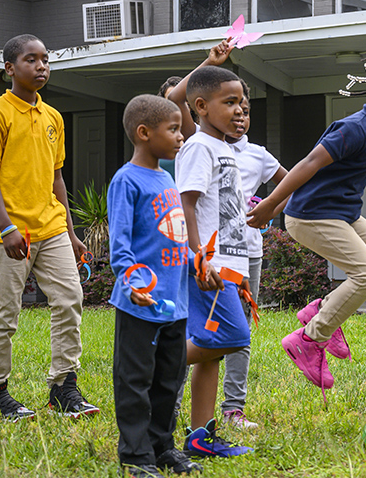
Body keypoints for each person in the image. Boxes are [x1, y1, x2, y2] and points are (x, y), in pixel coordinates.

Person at [247, 56, 366, 399]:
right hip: (312, 216)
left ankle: (319, 309)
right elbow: (309, 165)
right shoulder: (355, 128)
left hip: (341, 213)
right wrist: (272, 205)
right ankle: (308, 339)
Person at [0, 34, 98, 421]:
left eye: (46, 60)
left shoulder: (53, 117)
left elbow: (57, 177)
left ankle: (63, 387)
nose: (41, 66)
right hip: (10, 231)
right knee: (5, 311)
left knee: (69, 300)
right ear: (10, 68)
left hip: (52, 227)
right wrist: (7, 227)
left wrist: (72, 232)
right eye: (32, 60)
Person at [107, 95, 200, 477]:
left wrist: (198, 265)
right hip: (140, 304)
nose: (181, 136)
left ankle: (162, 447)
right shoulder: (126, 180)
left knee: (168, 379)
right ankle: (135, 454)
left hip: (174, 304)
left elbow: (174, 239)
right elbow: (121, 246)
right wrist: (131, 282)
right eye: (174, 129)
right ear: (145, 133)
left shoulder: (167, 178)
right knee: (135, 381)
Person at [173, 65, 253, 458]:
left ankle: (199, 438)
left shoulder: (225, 147)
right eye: (230, 102)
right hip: (208, 265)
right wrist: (198, 258)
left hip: (228, 265)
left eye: (242, 103)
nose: (240, 110)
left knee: (214, 351)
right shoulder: (199, 147)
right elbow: (186, 204)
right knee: (234, 338)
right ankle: (158, 359)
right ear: (201, 107)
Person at [219, 83, 287, 429]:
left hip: (249, 253)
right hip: (210, 255)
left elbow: (289, 183)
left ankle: (233, 409)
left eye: (245, 111)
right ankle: (173, 400)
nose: (240, 116)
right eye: (233, 109)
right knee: (203, 329)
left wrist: (269, 208)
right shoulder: (201, 148)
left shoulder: (258, 154)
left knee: (241, 330)